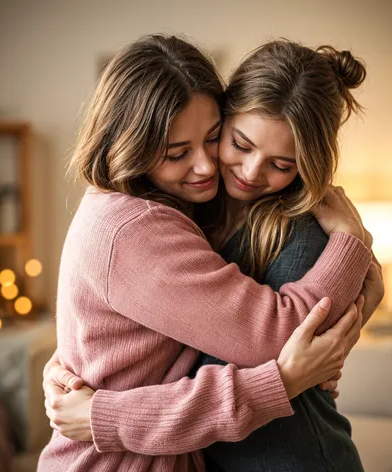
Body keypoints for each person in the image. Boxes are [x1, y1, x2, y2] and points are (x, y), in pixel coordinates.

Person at [37, 35, 374, 472]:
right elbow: (276, 338)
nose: (207, 165)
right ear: (130, 146)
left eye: (211, 139)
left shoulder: (203, 206)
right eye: (237, 144)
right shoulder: (144, 225)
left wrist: (360, 257)